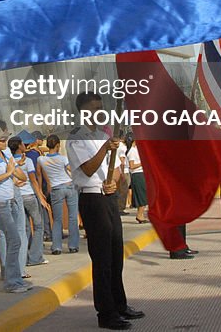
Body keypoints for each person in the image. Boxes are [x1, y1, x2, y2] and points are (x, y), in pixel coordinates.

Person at [67, 93, 143, 331]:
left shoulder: (104, 136)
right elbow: (88, 169)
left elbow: (119, 169)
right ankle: (106, 313)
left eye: (100, 107)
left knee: (115, 255)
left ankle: (120, 305)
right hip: (91, 199)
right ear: (82, 111)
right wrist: (104, 148)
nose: (98, 111)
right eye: (93, 108)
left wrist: (114, 182)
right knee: (102, 260)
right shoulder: (77, 138)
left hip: (108, 198)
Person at [0, 127, 30, 293]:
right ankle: (12, 282)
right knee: (14, 239)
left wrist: (15, 173)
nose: (4, 142)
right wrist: (9, 172)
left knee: (14, 239)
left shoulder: (6, 154)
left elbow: (21, 175)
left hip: (10, 201)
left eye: (5, 139)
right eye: (1, 140)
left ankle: (16, 278)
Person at [9, 137, 49, 269]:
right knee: (38, 226)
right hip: (29, 196)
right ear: (19, 146)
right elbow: (33, 180)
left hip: (17, 196)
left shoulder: (10, 161)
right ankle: (36, 256)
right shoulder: (28, 161)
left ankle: (24, 257)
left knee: (24, 228)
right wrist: (41, 197)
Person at [39, 134, 79, 254]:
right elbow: (71, 170)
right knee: (72, 217)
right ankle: (73, 246)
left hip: (55, 189)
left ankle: (56, 247)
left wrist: (41, 190)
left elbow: (39, 175)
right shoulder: (63, 158)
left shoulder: (41, 159)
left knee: (57, 219)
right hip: (69, 186)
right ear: (58, 145)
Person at [127, 141, 149, 224]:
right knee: (141, 195)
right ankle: (139, 215)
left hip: (142, 173)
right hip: (137, 174)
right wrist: (142, 163)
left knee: (144, 194)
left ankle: (141, 215)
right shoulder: (132, 151)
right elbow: (132, 166)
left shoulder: (137, 150)